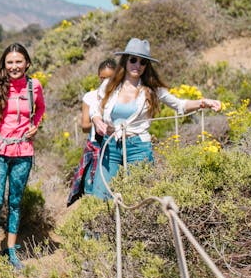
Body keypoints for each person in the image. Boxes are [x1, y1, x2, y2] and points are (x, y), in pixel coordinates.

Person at [89, 38, 222, 199]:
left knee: (140, 196)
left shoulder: (152, 90)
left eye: (143, 62)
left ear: (147, 66)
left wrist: (203, 102)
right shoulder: (109, 84)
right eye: (133, 60)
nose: (137, 65)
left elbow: (180, 105)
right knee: (101, 195)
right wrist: (97, 121)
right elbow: (94, 107)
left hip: (138, 145)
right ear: (125, 61)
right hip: (111, 144)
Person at [0, 43, 45, 269]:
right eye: (10, 62)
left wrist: (36, 125)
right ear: (4, 64)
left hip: (23, 150)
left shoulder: (33, 86)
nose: (14, 66)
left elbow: (41, 110)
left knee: (15, 202)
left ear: (27, 63)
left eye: (19, 62)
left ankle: (11, 251)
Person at [67, 59, 116, 204]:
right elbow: (84, 125)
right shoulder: (90, 97)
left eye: (110, 78)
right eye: (103, 78)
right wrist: (98, 123)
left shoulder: (120, 97)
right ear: (98, 77)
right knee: (91, 186)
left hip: (115, 144)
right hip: (96, 144)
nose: (106, 81)